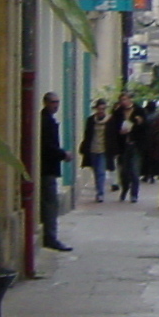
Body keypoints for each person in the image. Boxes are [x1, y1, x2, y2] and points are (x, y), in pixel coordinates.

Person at [38, 92, 71, 251]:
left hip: (48, 167)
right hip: (46, 168)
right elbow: (47, 146)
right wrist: (63, 154)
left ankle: (49, 235)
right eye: (53, 102)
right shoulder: (45, 121)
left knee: (49, 202)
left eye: (57, 102)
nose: (56, 105)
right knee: (51, 203)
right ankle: (50, 237)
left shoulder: (48, 120)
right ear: (45, 103)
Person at [107, 92, 144, 202]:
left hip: (135, 145)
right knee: (124, 171)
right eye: (121, 100)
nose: (123, 102)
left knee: (134, 170)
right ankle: (125, 189)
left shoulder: (139, 111)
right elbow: (112, 128)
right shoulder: (118, 112)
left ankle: (134, 194)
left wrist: (139, 123)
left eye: (125, 99)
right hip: (123, 145)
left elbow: (145, 128)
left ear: (130, 100)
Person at [78, 98, 111, 202]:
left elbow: (113, 136)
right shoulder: (91, 120)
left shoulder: (109, 120)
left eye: (103, 109)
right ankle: (98, 189)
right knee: (96, 171)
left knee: (101, 171)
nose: (101, 111)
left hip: (103, 149)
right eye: (99, 109)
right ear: (96, 109)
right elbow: (87, 135)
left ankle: (100, 193)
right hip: (92, 149)